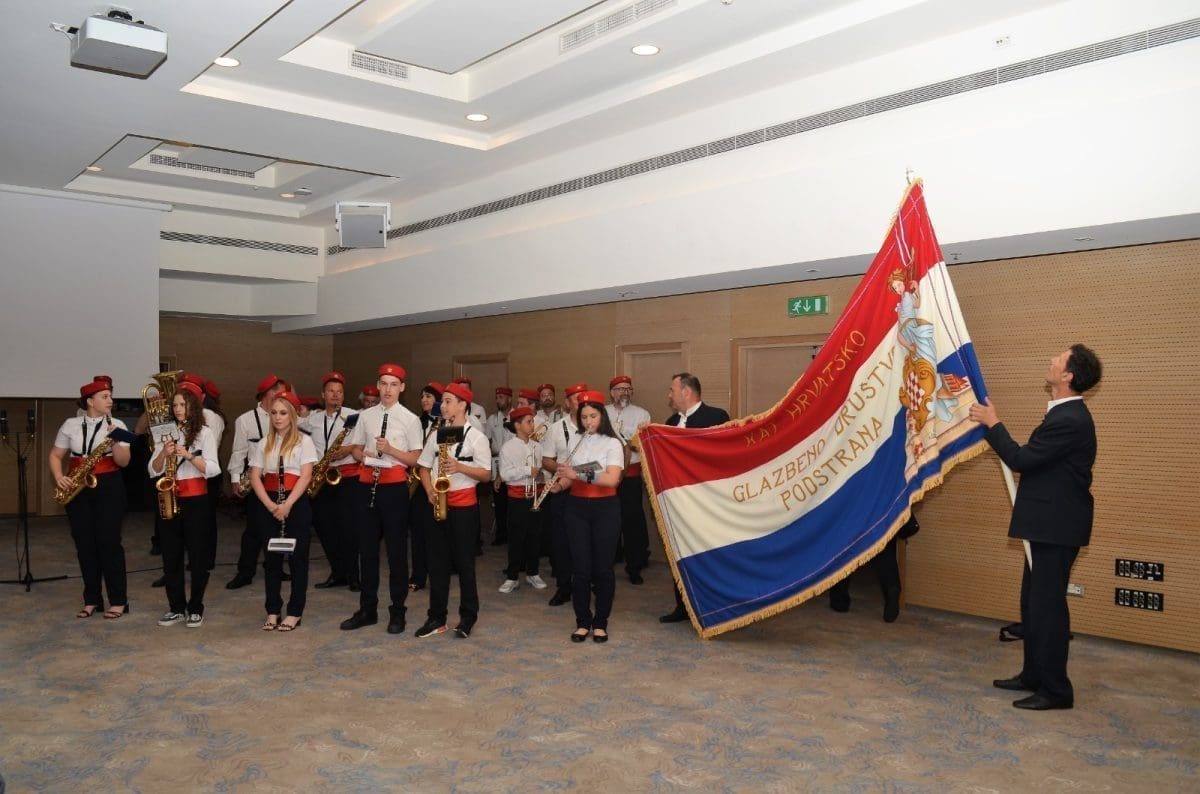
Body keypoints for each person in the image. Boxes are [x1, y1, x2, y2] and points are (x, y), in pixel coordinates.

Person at [969, 344, 1101, 711]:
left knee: (1048, 609)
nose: (1052, 360)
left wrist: (993, 424)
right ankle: (1033, 675)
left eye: (1059, 358)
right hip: (1047, 525)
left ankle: (1056, 690)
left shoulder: (1070, 419)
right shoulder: (1063, 413)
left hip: (1057, 527)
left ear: (1068, 375)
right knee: (1033, 604)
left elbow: (1021, 459)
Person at [340, 364, 423, 634]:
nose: (388, 389)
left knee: (396, 552)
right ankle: (367, 609)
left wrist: (391, 450)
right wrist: (362, 455)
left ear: (402, 388)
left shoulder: (410, 419)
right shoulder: (365, 416)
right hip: (366, 484)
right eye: (384, 384)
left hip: (394, 488)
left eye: (393, 384)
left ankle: (397, 611)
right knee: (367, 551)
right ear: (377, 385)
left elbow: (416, 459)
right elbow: (354, 448)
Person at [49, 379, 136, 620]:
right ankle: (92, 599)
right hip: (78, 487)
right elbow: (56, 455)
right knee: (84, 544)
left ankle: (118, 600)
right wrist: (59, 477)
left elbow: (123, 462)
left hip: (109, 487)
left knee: (109, 543)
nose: (110, 400)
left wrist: (115, 440)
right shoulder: (71, 424)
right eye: (104, 396)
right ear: (90, 401)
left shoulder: (118, 424)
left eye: (110, 396)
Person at [544, 390, 625, 643]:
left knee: (603, 568)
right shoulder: (575, 441)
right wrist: (558, 486)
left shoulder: (612, 443)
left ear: (602, 416)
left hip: (605, 508)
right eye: (584, 417)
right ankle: (582, 621)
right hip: (576, 507)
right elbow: (570, 477)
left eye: (593, 416)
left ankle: (600, 622)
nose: (588, 421)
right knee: (580, 568)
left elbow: (611, 479)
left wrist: (576, 474)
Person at [416, 382, 492, 638]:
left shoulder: (476, 437)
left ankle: (468, 617)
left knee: (464, 564)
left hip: (463, 507)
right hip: (437, 502)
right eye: (443, 401)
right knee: (436, 564)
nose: (443, 406)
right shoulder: (437, 433)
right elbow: (424, 467)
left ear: (462, 405)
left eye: (448, 401)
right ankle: (436, 618)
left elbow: (486, 474)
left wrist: (460, 467)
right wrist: (429, 490)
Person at [658, 372, 731, 624]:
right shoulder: (670, 422)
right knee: (681, 553)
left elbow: (723, 456)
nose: (669, 395)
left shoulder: (717, 417)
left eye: (672, 389)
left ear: (686, 391)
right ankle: (683, 605)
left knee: (709, 555)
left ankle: (714, 606)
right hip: (680, 503)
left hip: (708, 501)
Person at [148, 382, 220, 627]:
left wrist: (188, 455)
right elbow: (152, 470)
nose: (178, 409)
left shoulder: (204, 433)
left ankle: (196, 607)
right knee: (171, 555)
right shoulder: (164, 431)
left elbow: (213, 469)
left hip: (196, 499)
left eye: (183, 404)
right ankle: (176, 608)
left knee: (198, 556)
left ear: (193, 406)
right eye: (175, 405)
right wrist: (163, 454)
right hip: (170, 496)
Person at [248, 390, 317, 632]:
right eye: (274, 413)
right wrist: (270, 505)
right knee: (272, 560)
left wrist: (288, 504)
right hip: (269, 503)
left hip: (295, 503)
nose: (278, 417)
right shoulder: (263, 443)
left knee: (298, 559)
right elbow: (255, 476)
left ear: (292, 415)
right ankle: (273, 610)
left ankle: (295, 612)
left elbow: (305, 475)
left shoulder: (304, 441)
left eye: (283, 413)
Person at [226, 374, 290, 590]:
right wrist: (235, 478)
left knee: (279, 527)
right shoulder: (245, 420)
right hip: (256, 480)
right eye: (278, 392)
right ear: (266, 394)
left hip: (281, 479)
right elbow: (238, 452)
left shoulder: (287, 416)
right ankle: (245, 572)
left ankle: (276, 568)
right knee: (253, 530)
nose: (282, 396)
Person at [301, 372, 360, 590]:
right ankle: (337, 572)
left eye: (339, 392)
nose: (335, 395)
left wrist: (349, 448)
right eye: (331, 391)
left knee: (348, 528)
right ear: (323, 395)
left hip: (346, 477)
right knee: (325, 528)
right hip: (321, 477)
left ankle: (354, 576)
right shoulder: (313, 420)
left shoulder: (355, 416)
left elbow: (366, 443)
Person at [541, 383, 590, 606]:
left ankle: (587, 583)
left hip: (587, 489)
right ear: (568, 403)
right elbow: (546, 460)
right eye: (576, 399)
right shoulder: (555, 429)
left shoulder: (596, 425)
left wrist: (576, 472)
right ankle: (563, 586)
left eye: (584, 397)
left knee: (587, 540)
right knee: (561, 540)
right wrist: (562, 469)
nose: (581, 402)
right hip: (561, 489)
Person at [827, 513, 919, 622]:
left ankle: (839, 600)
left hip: (852, 513)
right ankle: (892, 588)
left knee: (845, 546)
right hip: (879, 512)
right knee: (882, 541)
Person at [605, 375, 652, 584]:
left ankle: (635, 566)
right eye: (620, 389)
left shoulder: (642, 414)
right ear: (611, 392)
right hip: (607, 474)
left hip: (631, 475)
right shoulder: (602, 412)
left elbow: (643, 443)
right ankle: (609, 560)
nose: (624, 392)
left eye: (627, 389)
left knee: (632, 521)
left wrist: (628, 442)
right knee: (607, 518)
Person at [497, 405, 547, 593]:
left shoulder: (537, 447)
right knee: (516, 538)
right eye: (529, 421)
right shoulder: (508, 447)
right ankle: (512, 576)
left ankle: (533, 573)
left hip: (535, 496)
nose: (532, 424)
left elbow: (540, 472)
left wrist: (540, 476)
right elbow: (505, 474)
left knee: (535, 536)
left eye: (532, 421)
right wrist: (527, 470)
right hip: (517, 498)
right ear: (517, 425)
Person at [408, 381, 445, 592]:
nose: (424, 400)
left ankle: (439, 573)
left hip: (437, 481)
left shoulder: (446, 423)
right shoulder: (416, 423)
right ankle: (418, 575)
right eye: (422, 396)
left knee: (437, 532)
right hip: (417, 482)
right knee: (418, 531)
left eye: (429, 396)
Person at [486, 386, 514, 546]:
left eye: (502, 397)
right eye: (497, 398)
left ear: (509, 399)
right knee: (499, 500)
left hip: (512, 463)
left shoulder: (517, 416)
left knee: (512, 501)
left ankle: (512, 533)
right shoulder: (492, 419)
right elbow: (487, 441)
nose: (498, 400)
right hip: (497, 461)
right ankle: (501, 534)